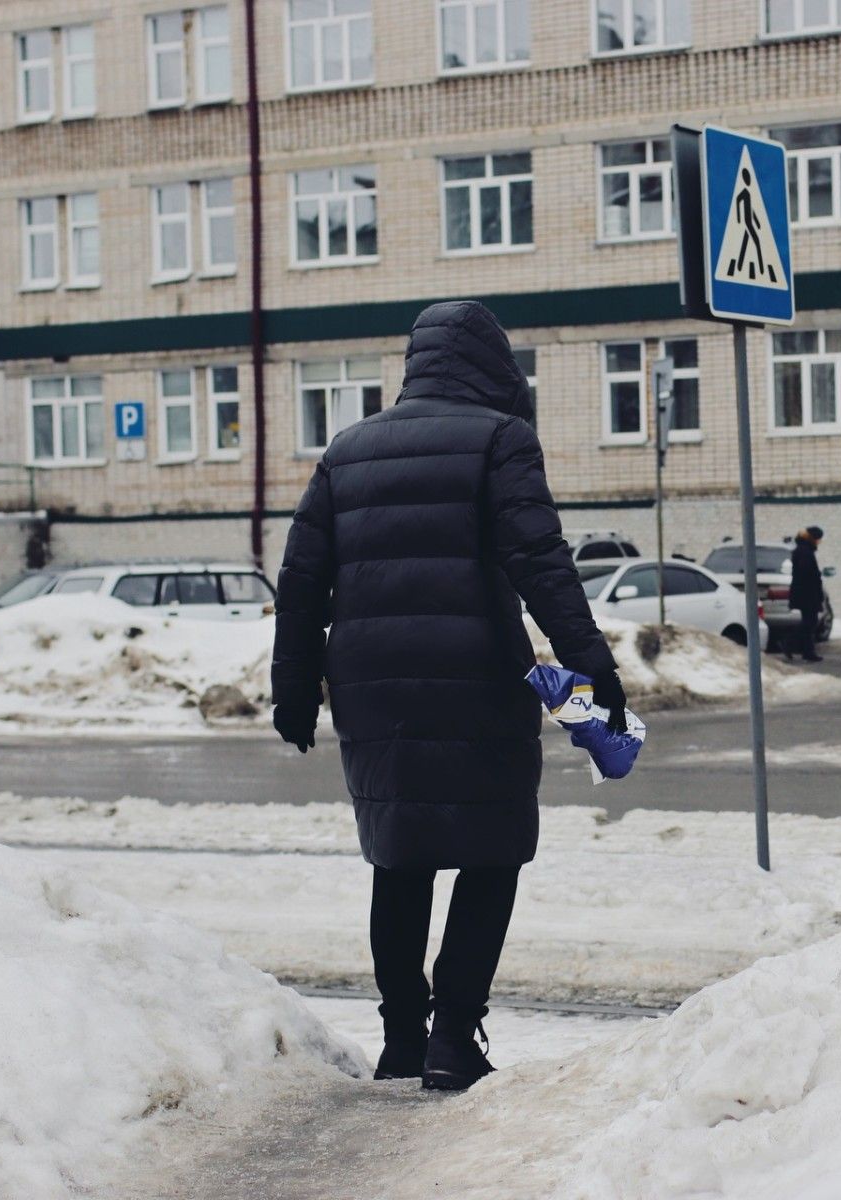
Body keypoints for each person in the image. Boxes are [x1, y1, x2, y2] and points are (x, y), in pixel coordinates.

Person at [271, 301, 626, 1092]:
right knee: (491, 850)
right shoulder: (500, 438)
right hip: (474, 674)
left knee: (398, 857)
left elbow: (301, 581)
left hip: (370, 683)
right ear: (494, 365)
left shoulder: (348, 449)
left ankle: (402, 1037)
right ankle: (455, 1036)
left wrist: (293, 688)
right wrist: (590, 664)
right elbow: (540, 560)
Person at [785, 526, 825, 663]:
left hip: (805, 593)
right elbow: (806, 574)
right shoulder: (805, 551)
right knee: (809, 622)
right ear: (813, 538)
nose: (819, 542)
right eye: (818, 539)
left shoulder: (803, 549)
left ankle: (805, 650)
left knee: (809, 622)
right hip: (807, 594)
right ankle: (790, 644)